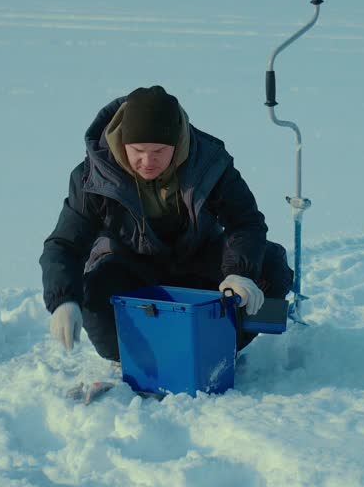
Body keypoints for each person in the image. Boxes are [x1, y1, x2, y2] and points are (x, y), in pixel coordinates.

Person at [40, 85, 294, 361]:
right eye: (138, 150)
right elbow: (64, 244)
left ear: (178, 142)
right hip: (131, 269)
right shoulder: (92, 177)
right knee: (98, 300)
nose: (148, 161)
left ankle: (216, 348)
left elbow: (245, 221)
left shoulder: (210, 162)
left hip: (197, 260)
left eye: (159, 151)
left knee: (271, 269)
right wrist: (63, 299)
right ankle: (146, 357)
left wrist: (239, 273)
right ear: (122, 142)